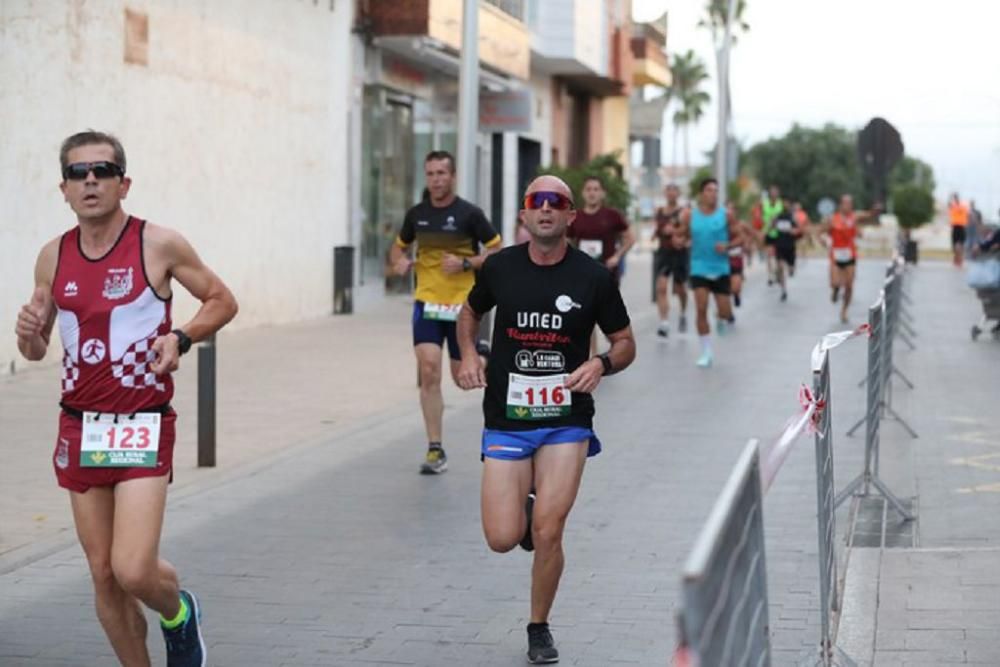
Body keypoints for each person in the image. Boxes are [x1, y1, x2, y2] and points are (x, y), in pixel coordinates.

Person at [15, 130, 238, 666]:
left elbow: (221, 300)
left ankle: (179, 613)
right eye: (77, 173)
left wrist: (180, 337)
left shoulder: (156, 244)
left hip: (141, 421)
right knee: (103, 574)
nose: (90, 180)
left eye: (102, 170)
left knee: (134, 569)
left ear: (124, 182)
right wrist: (27, 334)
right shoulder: (52, 256)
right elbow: (40, 344)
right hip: (80, 426)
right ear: (64, 189)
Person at [456, 175, 636, 664]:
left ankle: (538, 626)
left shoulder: (593, 277)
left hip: (565, 418)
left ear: (571, 216)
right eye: (537, 202)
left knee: (550, 531)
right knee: (500, 538)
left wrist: (601, 364)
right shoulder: (499, 267)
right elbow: (468, 315)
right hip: (508, 419)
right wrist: (467, 355)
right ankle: (527, 511)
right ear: (524, 214)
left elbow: (625, 342)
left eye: (557, 203)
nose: (546, 209)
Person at [390, 150, 502, 475]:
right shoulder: (417, 215)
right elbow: (398, 247)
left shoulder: (470, 214)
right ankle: (435, 448)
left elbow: (497, 250)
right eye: (431, 174)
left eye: (442, 173)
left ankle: (485, 357)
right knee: (428, 370)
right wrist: (398, 261)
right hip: (427, 302)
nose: (436, 179)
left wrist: (466, 262)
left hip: (461, 306)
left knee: (462, 378)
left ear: (452, 176)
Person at [681, 178, 741, 368]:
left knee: (724, 310)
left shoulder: (726, 215)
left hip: (720, 268)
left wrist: (728, 245)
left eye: (716, 190)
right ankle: (706, 352)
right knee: (701, 307)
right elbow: (682, 234)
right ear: (701, 193)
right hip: (699, 267)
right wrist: (678, 240)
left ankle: (721, 319)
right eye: (709, 190)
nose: (713, 194)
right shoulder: (690, 215)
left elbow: (740, 238)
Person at [820, 194, 880, 323]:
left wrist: (874, 210)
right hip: (835, 255)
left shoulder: (854, 217)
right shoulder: (832, 219)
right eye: (845, 203)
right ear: (840, 205)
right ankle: (835, 290)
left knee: (849, 285)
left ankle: (844, 310)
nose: (848, 206)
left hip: (850, 255)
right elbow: (821, 232)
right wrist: (823, 240)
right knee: (835, 283)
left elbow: (868, 215)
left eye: (850, 203)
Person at [653, 183, 689, 337]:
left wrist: (676, 233)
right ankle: (664, 323)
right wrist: (657, 233)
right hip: (664, 253)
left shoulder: (685, 212)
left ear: (679, 194)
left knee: (680, 289)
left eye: (674, 191)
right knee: (661, 287)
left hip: (679, 253)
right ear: (665, 193)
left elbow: (689, 231)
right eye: (669, 191)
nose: (671, 194)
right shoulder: (659, 211)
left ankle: (682, 313)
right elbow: (656, 228)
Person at [770, 199, 802, 302]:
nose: (785, 205)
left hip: (790, 246)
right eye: (783, 204)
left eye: (787, 204)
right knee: (780, 266)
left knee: (791, 270)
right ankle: (783, 290)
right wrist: (773, 222)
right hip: (780, 245)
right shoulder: (778, 216)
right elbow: (771, 227)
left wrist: (794, 231)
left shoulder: (793, 217)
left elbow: (800, 229)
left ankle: (791, 270)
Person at [761, 185, 784, 284]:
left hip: (779, 232)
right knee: (769, 254)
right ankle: (770, 276)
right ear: (770, 193)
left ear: (778, 193)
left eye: (775, 192)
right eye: (772, 192)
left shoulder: (780, 204)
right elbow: (762, 216)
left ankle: (778, 272)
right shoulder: (765, 203)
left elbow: (779, 216)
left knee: (779, 256)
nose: (774, 194)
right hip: (768, 232)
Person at [948, 194, 969, 268]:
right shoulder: (964, 206)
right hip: (962, 227)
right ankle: (959, 259)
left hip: (956, 227)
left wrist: (951, 197)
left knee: (956, 244)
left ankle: (957, 259)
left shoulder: (953, 206)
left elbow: (949, 204)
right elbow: (968, 215)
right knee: (960, 244)